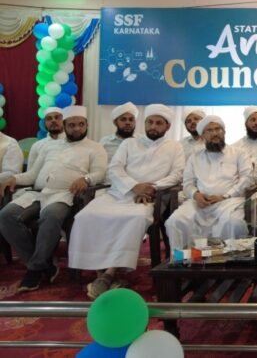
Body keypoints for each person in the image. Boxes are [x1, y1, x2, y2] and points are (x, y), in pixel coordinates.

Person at [68, 104, 184, 299]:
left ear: (167, 126)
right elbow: (115, 169)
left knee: (134, 218)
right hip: (120, 193)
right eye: (150, 122)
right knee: (86, 215)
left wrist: (152, 188)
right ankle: (100, 272)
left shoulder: (174, 146)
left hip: (150, 198)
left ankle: (109, 274)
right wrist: (134, 186)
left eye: (159, 123)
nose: (153, 126)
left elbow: (177, 174)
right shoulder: (130, 143)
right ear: (144, 123)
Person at [0, 106, 107, 292]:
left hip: (64, 195)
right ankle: (45, 266)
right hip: (38, 193)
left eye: (81, 124)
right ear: (64, 126)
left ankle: (34, 270)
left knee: (50, 215)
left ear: (86, 125)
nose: (77, 128)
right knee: (6, 215)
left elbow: (100, 173)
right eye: (72, 125)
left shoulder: (95, 148)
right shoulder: (48, 146)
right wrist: (14, 179)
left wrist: (86, 179)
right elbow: (32, 174)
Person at [166, 115, 252, 250]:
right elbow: (187, 183)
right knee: (176, 220)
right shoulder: (194, 157)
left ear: (224, 132)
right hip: (199, 203)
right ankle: (183, 260)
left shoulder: (239, 153)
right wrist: (196, 195)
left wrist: (225, 196)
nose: (215, 133)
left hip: (229, 202)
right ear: (202, 136)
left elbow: (247, 178)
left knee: (232, 222)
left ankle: (229, 260)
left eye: (218, 129)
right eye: (209, 130)